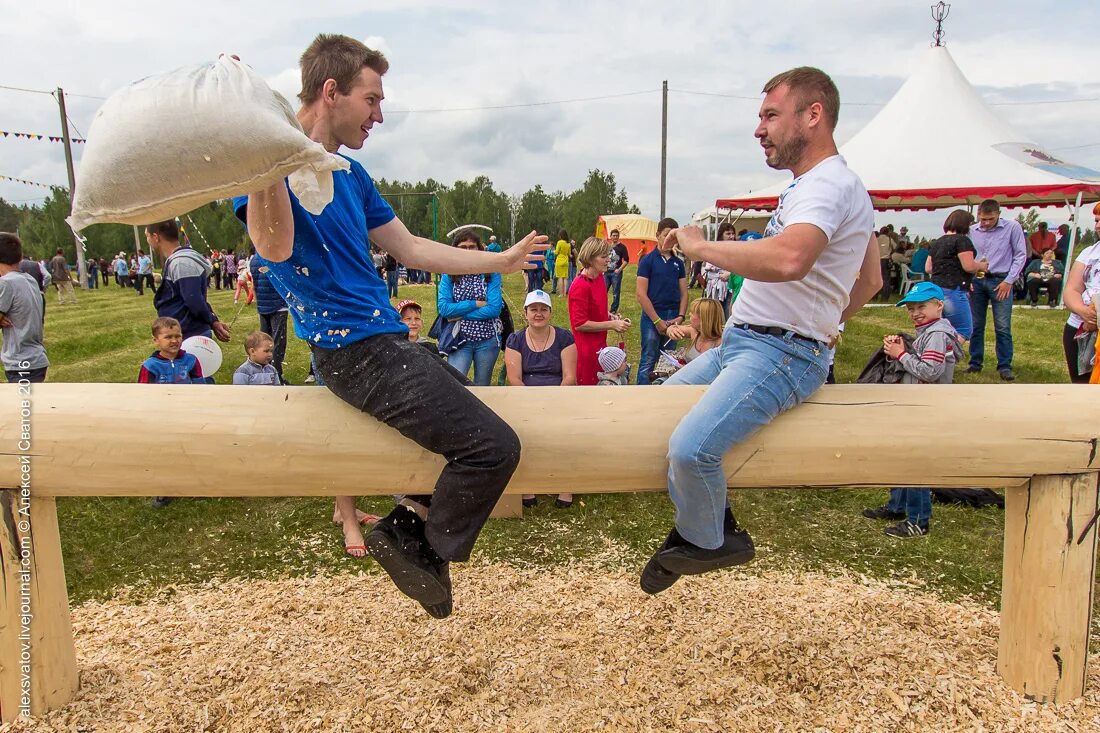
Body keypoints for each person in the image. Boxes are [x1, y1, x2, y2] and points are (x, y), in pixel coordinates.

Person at [235, 33, 544, 618]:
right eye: (372, 99)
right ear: (332, 92)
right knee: (494, 447)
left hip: (384, 344)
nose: (379, 114)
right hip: (354, 353)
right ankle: (419, 547)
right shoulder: (268, 168)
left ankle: (406, 527)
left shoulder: (349, 174)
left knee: (472, 419)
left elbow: (411, 248)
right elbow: (272, 246)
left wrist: (499, 263)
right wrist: (267, 164)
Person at [639, 66, 879, 595]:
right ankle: (711, 523)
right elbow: (872, 278)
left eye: (770, 115)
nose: (759, 129)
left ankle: (706, 540)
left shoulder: (829, 184)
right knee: (651, 411)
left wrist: (700, 248)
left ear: (813, 115)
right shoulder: (832, 187)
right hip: (748, 341)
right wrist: (828, 320)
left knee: (688, 449)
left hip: (779, 352)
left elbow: (792, 257)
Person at [863, 282, 961, 538]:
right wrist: (903, 348)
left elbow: (931, 372)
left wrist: (900, 355)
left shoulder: (938, 334)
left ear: (939, 305)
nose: (916, 312)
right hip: (916, 406)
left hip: (926, 408)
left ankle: (919, 520)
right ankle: (898, 505)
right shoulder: (929, 330)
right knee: (902, 455)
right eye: (911, 308)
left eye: (922, 306)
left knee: (916, 462)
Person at [504, 289, 577, 508]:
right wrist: (533, 404)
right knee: (525, 435)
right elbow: (514, 378)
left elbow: (570, 376)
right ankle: (528, 485)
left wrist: (555, 402)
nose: (538, 314)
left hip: (560, 395)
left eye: (543, 309)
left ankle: (565, 485)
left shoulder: (565, 338)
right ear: (525, 313)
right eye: (533, 309)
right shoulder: (515, 340)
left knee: (563, 437)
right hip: (526, 397)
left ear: (550, 313)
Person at [138, 315, 204, 508]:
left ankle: (195, 485)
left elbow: (201, 387)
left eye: (178, 336)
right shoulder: (150, 366)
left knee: (192, 451)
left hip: (188, 415)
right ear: (156, 340)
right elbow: (142, 394)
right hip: (161, 418)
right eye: (168, 337)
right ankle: (164, 489)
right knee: (164, 453)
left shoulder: (191, 360)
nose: (174, 340)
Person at [967, 199, 1027, 381]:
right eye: (982, 219)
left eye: (990, 219)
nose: (985, 223)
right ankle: (975, 362)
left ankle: (1004, 365)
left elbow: (1020, 255)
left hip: (1001, 279)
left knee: (1002, 326)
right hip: (977, 280)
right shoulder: (971, 230)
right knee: (976, 325)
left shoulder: (1012, 228)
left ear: (998, 214)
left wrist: (1009, 280)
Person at [145, 220, 231, 344]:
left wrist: (212, 321)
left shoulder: (181, 262)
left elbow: (194, 299)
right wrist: (213, 320)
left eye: (147, 236)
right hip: (184, 335)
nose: (148, 241)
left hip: (190, 336)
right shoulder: (177, 261)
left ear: (156, 237)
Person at [437, 230, 503, 386]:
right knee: (456, 384)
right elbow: (444, 309)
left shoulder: (491, 273)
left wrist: (460, 314)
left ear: (479, 249)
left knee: (482, 385)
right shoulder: (449, 275)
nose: (467, 250)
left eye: (471, 246)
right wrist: (475, 304)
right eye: (462, 247)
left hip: (488, 339)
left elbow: (494, 309)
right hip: (460, 339)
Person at [568, 237, 630, 385]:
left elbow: (596, 309)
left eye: (608, 255)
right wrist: (611, 325)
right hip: (587, 349)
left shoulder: (599, 278)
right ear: (590, 258)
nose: (608, 260)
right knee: (591, 387)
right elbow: (580, 324)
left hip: (600, 343)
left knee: (602, 382)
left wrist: (610, 316)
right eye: (603, 257)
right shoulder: (580, 286)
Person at [635, 217, 687, 384]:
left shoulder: (678, 263)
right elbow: (641, 294)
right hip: (652, 315)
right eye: (666, 235)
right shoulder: (647, 261)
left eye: (673, 237)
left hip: (673, 316)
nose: (669, 240)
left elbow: (684, 293)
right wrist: (656, 320)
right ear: (657, 235)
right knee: (648, 359)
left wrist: (680, 316)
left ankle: (662, 392)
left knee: (668, 360)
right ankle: (642, 395)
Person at [925, 209, 986, 341]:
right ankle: (946, 357)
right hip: (954, 289)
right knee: (963, 330)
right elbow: (969, 266)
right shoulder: (962, 241)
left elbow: (928, 268)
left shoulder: (937, 242)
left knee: (941, 329)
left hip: (936, 290)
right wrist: (981, 266)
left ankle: (935, 355)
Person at [0, 233, 49, 383]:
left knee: (24, 406)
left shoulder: (6, 283)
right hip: (36, 358)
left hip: (20, 362)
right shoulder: (30, 279)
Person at [1062, 202, 1100, 383]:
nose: (1098, 225)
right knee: (1081, 387)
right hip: (1079, 327)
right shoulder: (1088, 253)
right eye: (1097, 221)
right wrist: (1084, 312)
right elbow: (1071, 289)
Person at [250, 253, 289, 383]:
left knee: (263, 341)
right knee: (277, 342)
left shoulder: (254, 259)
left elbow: (254, 284)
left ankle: (264, 373)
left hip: (262, 305)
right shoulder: (276, 256)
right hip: (277, 305)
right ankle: (276, 375)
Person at [666, 297, 724, 363]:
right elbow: (673, 328)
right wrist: (670, 330)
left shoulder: (720, 343)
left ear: (703, 318)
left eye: (693, 312)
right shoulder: (694, 331)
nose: (689, 314)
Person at [605, 229, 630, 313]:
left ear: (618, 236)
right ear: (610, 236)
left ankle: (613, 310)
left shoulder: (622, 247)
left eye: (616, 235)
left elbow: (626, 260)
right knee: (603, 291)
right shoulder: (607, 246)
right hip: (606, 272)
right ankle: (602, 307)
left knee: (615, 292)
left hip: (616, 272)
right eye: (613, 235)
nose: (615, 237)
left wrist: (619, 270)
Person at [554, 229, 571, 296]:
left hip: (560, 260)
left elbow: (556, 252)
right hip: (566, 260)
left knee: (560, 277)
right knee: (565, 277)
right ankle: (564, 293)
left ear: (560, 235)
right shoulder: (568, 244)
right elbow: (569, 254)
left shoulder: (559, 242)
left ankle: (561, 293)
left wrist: (553, 252)